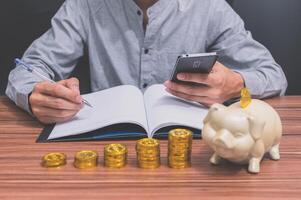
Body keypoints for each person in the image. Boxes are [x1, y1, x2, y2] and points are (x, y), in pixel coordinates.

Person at [6, 0, 287, 124]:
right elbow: (28, 69)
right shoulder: (85, 4)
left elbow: (272, 74)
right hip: (108, 148)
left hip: (194, 151)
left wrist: (236, 85)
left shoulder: (209, 6)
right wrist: (33, 94)